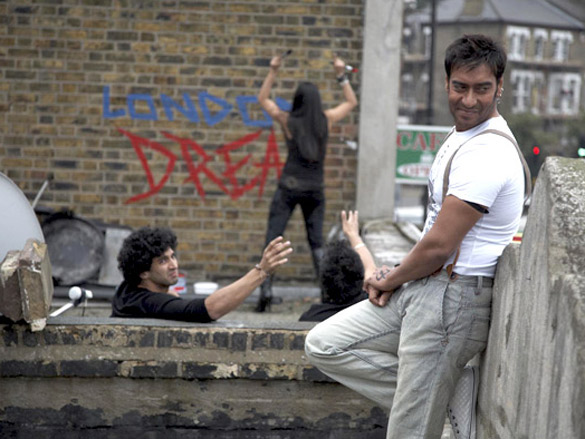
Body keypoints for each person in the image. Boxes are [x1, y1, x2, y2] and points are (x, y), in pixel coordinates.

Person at [305, 34, 529, 439]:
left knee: (407, 431)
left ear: (500, 87)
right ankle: (445, 392)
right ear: (446, 83)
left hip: (453, 299)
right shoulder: (462, 136)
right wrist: (401, 275)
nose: (469, 100)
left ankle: (433, 395)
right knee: (325, 344)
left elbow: (440, 246)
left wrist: (391, 278)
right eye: (460, 87)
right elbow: (432, 232)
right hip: (426, 287)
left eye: (482, 89)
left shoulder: (488, 153)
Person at [255, 52, 358, 312]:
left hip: (289, 186)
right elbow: (351, 102)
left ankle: (265, 290)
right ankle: (326, 294)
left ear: (297, 100)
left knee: (274, 237)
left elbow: (263, 99)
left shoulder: (288, 120)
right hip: (315, 190)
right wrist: (341, 75)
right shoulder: (326, 119)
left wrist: (273, 70)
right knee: (316, 243)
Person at [111, 226, 293, 322]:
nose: (174, 265)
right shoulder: (147, 303)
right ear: (143, 272)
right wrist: (261, 271)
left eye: (173, 256)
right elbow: (209, 309)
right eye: (163, 261)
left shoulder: (127, 291)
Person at [299, 211, 372, 322]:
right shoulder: (369, 312)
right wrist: (354, 236)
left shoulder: (309, 318)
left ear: (323, 282)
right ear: (361, 280)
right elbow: (371, 270)